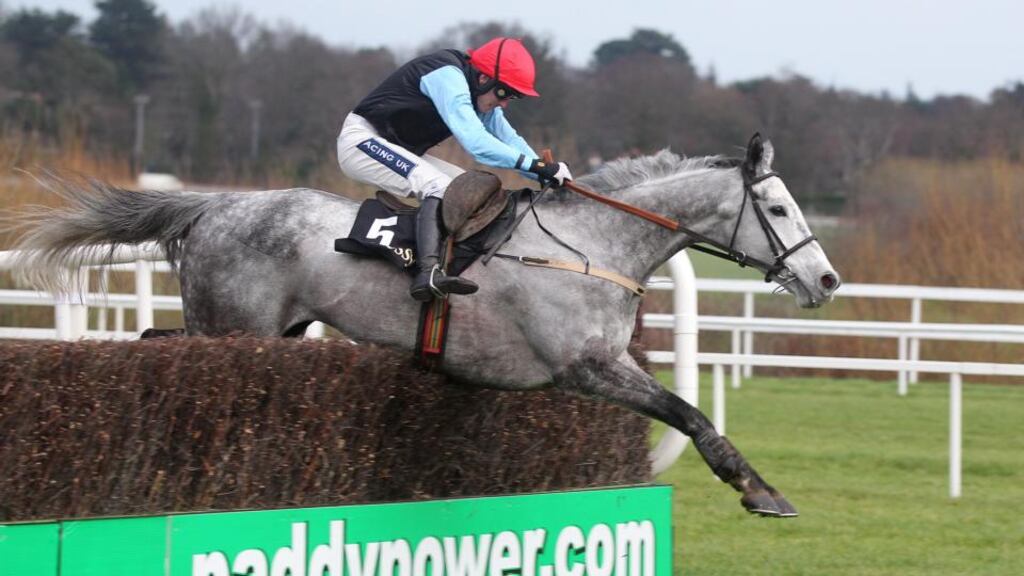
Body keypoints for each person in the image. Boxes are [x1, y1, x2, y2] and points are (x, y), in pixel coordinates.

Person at [337, 37, 573, 301]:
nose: (505, 103)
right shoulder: (448, 76)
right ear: (484, 78)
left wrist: (544, 172)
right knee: (437, 186)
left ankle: (447, 260)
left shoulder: (480, 93)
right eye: (504, 93)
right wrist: (536, 166)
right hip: (362, 141)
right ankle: (426, 273)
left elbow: (509, 138)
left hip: (398, 148)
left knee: (465, 188)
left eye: (513, 96)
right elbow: (477, 144)